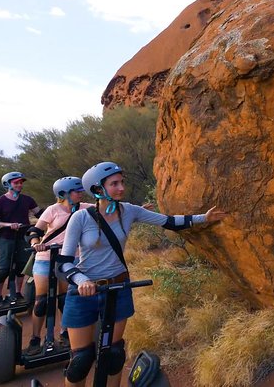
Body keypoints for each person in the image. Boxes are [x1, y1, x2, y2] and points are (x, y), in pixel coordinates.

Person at [58, 162, 226, 387]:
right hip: (84, 292)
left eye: (122, 182)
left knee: (114, 354)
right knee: (81, 360)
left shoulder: (129, 211)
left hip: (118, 287)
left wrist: (204, 218)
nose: (121, 188)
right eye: (114, 184)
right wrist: (82, 280)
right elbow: (64, 263)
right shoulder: (81, 218)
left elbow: (169, 221)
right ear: (98, 189)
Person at [24, 176, 93, 355]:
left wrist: (138, 210)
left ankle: (65, 334)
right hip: (46, 257)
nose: (80, 194)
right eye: (77, 191)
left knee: (65, 300)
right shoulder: (53, 210)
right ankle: (35, 339)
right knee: (42, 302)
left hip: (70, 259)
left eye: (80, 191)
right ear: (64, 194)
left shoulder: (85, 208)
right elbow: (35, 230)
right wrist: (35, 242)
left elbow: (108, 209)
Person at [0, 171, 42, 306]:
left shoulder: (27, 200)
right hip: (6, 238)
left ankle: (17, 293)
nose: (19, 185)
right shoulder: (0, 201)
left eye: (21, 182)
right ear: (7, 184)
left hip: (23, 237)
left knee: (21, 266)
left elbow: (40, 214)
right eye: (16, 183)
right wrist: (8, 225)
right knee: (4, 269)